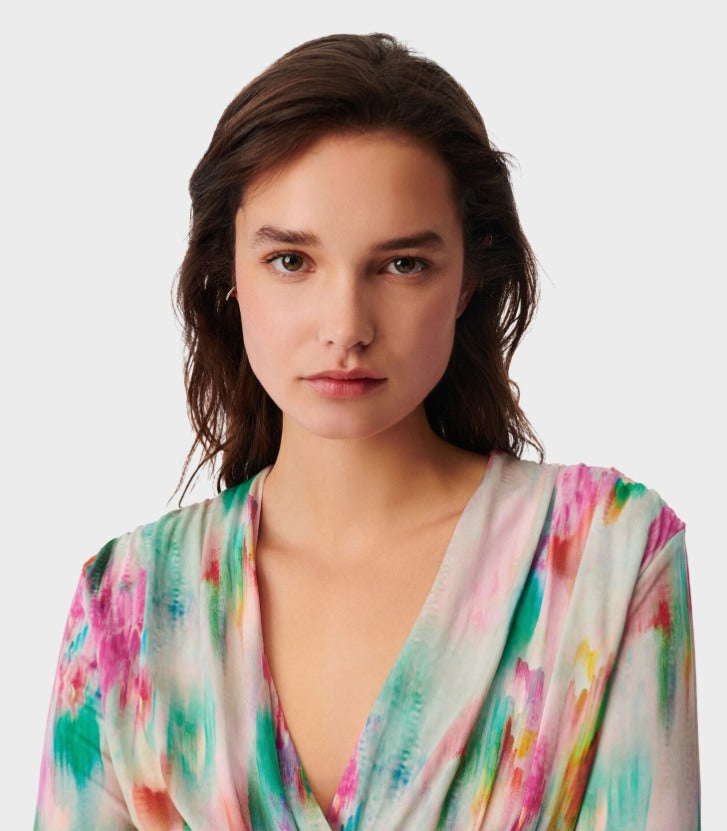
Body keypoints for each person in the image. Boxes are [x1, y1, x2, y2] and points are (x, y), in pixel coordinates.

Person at [33, 32, 700, 830]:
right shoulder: (127, 604)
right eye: (291, 261)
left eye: (401, 264)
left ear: (468, 277)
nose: (345, 326)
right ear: (227, 269)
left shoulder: (603, 557)